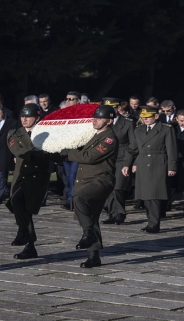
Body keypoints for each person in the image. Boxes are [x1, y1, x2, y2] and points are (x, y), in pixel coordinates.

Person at [61, 105, 118, 268]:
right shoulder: (94, 135)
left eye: (99, 119)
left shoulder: (109, 139)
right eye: (94, 118)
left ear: (109, 121)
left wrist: (67, 153)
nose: (95, 121)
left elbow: (89, 157)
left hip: (101, 180)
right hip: (86, 180)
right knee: (90, 216)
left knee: (79, 199)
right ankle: (94, 256)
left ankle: (89, 234)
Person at [6, 103, 52, 260]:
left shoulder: (47, 132)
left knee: (19, 202)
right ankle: (29, 245)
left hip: (37, 176)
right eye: (22, 116)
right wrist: (37, 153)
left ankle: (23, 232)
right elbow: (17, 150)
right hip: (21, 174)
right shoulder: (15, 133)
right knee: (19, 205)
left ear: (37, 117)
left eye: (28, 117)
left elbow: (55, 151)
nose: (24, 119)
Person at [124, 105, 177, 233]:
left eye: (148, 117)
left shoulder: (165, 129)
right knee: (145, 196)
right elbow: (133, 149)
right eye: (144, 117)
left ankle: (154, 224)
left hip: (157, 164)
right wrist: (127, 164)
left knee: (154, 196)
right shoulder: (139, 130)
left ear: (156, 116)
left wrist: (172, 166)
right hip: (142, 163)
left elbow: (172, 149)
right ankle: (151, 222)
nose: (146, 119)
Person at [101, 98, 136, 225]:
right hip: (107, 158)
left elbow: (132, 145)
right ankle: (112, 214)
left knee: (118, 188)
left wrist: (128, 163)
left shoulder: (127, 123)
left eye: (113, 108)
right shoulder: (103, 122)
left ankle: (120, 213)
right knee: (109, 188)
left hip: (122, 158)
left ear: (118, 108)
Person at [61, 91, 82, 209]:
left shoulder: (83, 114)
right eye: (67, 99)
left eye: (71, 99)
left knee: (74, 175)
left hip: (77, 150)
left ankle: (71, 201)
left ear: (78, 101)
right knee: (68, 176)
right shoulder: (63, 113)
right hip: (65, 150)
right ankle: (71, 198)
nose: (68, 101)